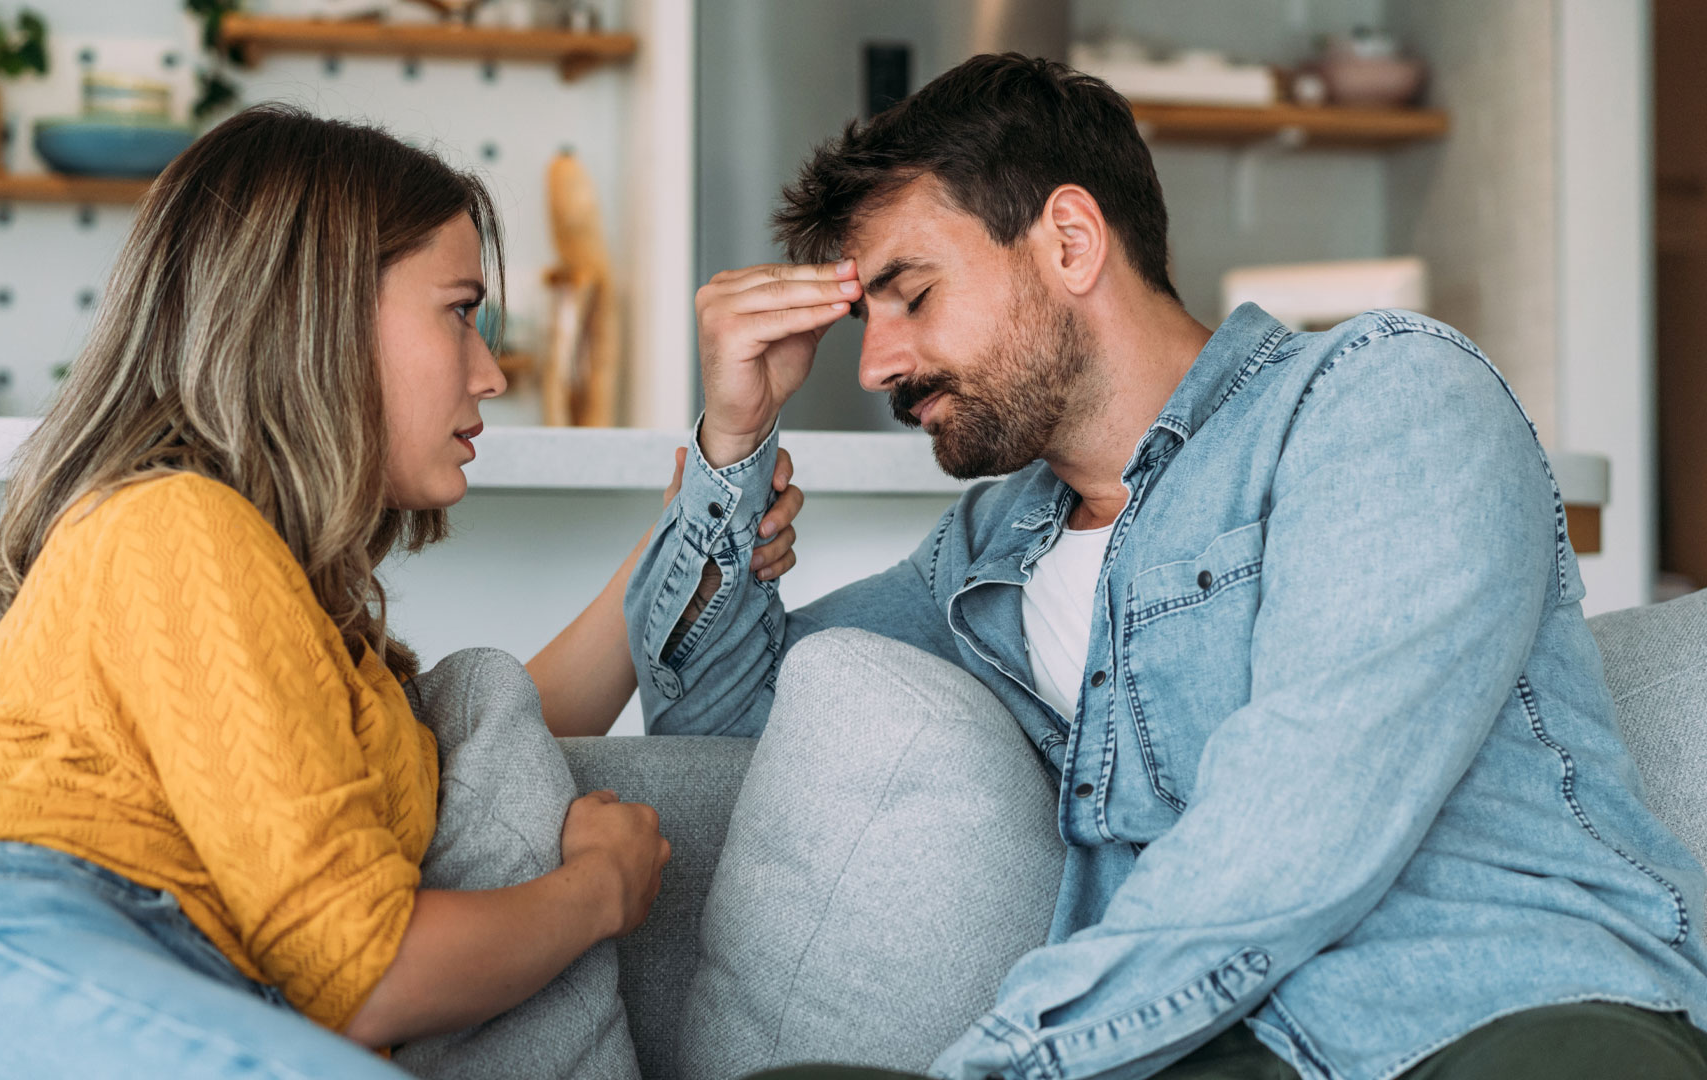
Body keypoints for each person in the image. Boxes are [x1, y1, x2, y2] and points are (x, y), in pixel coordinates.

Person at [625, 53, 1707, 1079]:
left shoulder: (1381, 396)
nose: (876, 366)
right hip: (1211, 1045)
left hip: (1500, 1012)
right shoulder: (986, 555)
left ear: (1069, 241)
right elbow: (724, 724)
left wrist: (1013, 1062)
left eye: (910, 293)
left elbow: (1299, 821)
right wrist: (732, 442)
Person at [0, 104, 805, 1079]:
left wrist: (699, 528)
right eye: (460, 312)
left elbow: (499, 726)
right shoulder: (173, 524)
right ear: (317, 314)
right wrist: (598, 890)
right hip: (3, 960)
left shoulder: (305, 633)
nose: (490, 373)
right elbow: (365, 976)